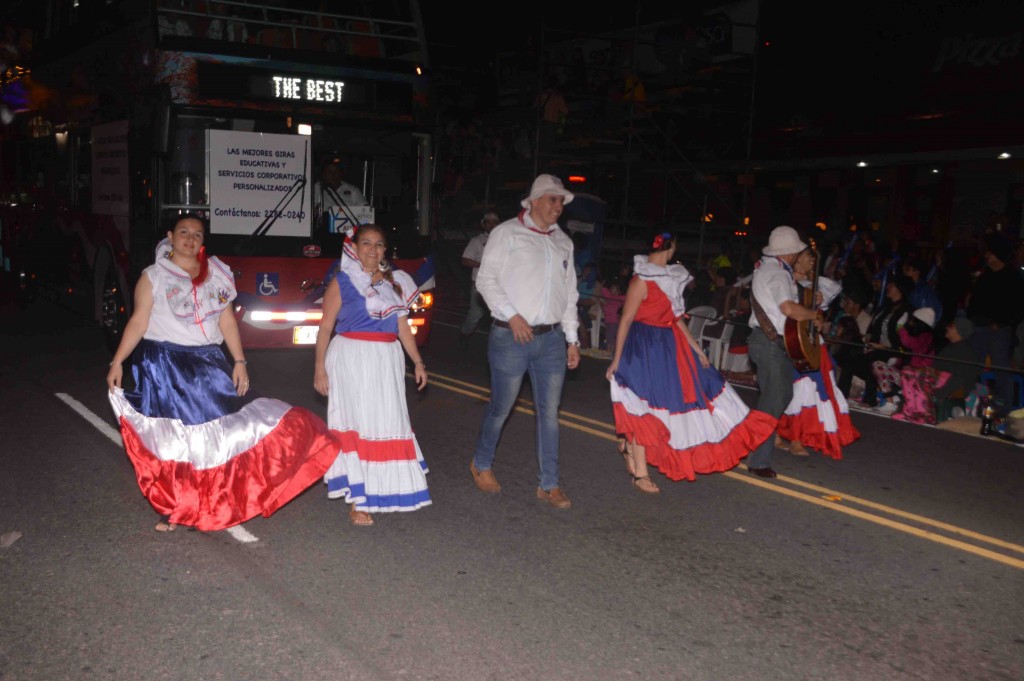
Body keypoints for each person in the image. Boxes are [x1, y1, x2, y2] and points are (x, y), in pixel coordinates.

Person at [105, 214, 342, 532]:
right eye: (184, 233)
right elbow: (139, 320)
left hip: (206, 363)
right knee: (175, 441)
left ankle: (213, 499)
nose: (190, 239)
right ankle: (177, 507)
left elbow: (227, 320)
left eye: (197, 234)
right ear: (170, 236)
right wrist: (118, 360)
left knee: (223, 431)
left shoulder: (216, 273)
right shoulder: (153, 276)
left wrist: (239, 361)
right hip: (162, 365)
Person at [606, 231, 775, 493]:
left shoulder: (671, 278)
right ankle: (640, 472)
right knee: (641, 405)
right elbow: (626, 319)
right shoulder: (642, 279)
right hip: (642, 349)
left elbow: (676, 318)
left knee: (667, 403)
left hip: (669, 347)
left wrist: (697, 349)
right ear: (670, 248)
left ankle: (630, 447)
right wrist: (616, 359)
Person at [469, 174, 582, 509]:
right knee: (501, 407)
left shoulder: (563, 242)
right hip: (511, 335)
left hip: (551, 340)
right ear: (533, 201)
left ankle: (549, 485)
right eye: (552, 199)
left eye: (561, 201)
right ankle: (481, 463)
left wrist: (572, 338)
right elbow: (486, 281)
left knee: (549, 413)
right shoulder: (506, 233)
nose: (558, 207)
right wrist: (511, 314)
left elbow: (570, 293)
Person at [314, 223, 431, 527]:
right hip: (351, 357)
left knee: (386, 421)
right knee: (357, 424)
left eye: (378, 244)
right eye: (366, 243)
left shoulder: (397, 282)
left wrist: (417, 361)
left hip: (386, 359)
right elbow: (325, 326)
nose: (372, 249)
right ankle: (359, 500)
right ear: (355, 247)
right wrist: (319, 368)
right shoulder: (342, 281)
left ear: (384, 250)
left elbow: (403, 328)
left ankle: (384, 488)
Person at [745, 226, 823, 478]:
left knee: (775, 397)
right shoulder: (777, 274)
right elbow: (789, 308)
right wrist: (813, 314)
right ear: (789, 253)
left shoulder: (770, 270)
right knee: (774, 400)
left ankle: (751, 446)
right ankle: (756, 457)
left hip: (767, 342)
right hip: (769, 343)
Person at [776, 249, 861, 460]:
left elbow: (818, 318)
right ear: (795, 259)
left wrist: (818, 321)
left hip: (811, 342)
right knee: (789, 388)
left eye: (814, 257)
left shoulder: (817, 287)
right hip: (789, 340)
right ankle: (782, 433)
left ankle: (797, 436)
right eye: (808, 257)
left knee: (809, 389)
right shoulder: (783, 282)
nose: (812, 261)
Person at [966, 233, 1024, 415]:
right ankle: (974, 402)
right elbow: (976, 299)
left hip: (999, 330)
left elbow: (1019, 306)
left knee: (1001, 368)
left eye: (990, 253)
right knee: (974, 365)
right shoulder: (986, 275)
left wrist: (1002, 323)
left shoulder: (1013, 277)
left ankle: (1003, 408)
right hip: (980, 327)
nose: (986, 256)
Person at [837, 274, 914, 407]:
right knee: (850, 362)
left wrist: (883, 346)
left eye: (892, 285)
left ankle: (870, 399)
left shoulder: (907, 311)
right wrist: (868, 340)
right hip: (875, 349)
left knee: (872, 361)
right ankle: (840, 398)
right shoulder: (885, 307)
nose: (888, 286)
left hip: (893, 352)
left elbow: (905, 341)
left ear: (900, 288)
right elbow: (872, 329)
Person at [459, 210, 500, 345]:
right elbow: (465, 260)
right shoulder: (477, 241)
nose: (492, 225)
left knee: (500, 313)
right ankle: (464, 334)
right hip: (480, 283)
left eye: (495, 222)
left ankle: (495, 342)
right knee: (476, 313)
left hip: (499, 284)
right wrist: (483, 264)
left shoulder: (503, 240)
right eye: (489, 222)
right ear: (484, 224)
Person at [312, 160, 368, 229]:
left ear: (341, 174)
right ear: (323, 174)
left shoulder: (352, 189)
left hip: (350, 230)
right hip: (324, 230)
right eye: (330, 172)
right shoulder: (316, 188)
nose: (333, 174)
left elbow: (366, 210)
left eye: (336, 172)